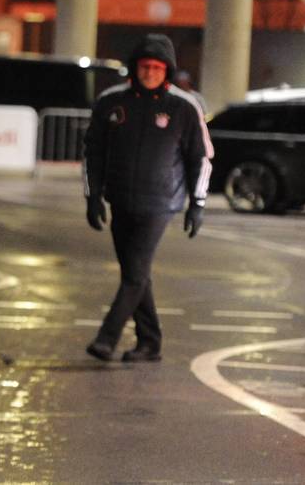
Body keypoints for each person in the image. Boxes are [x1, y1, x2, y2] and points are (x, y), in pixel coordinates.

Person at [83, 33, 213, 363]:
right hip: (120, 201)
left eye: (157, 67)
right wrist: (93, 196)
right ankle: (150, 342)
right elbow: (92, 152)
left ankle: (106, 339)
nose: (150, 72)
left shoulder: (184, 107)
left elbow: (200, 158)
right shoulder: (111, 102)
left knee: (134, 275)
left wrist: (197, 204)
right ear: (134, 67)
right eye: (144, 66)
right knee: (136, 274)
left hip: (160, 204)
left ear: (167, 70)